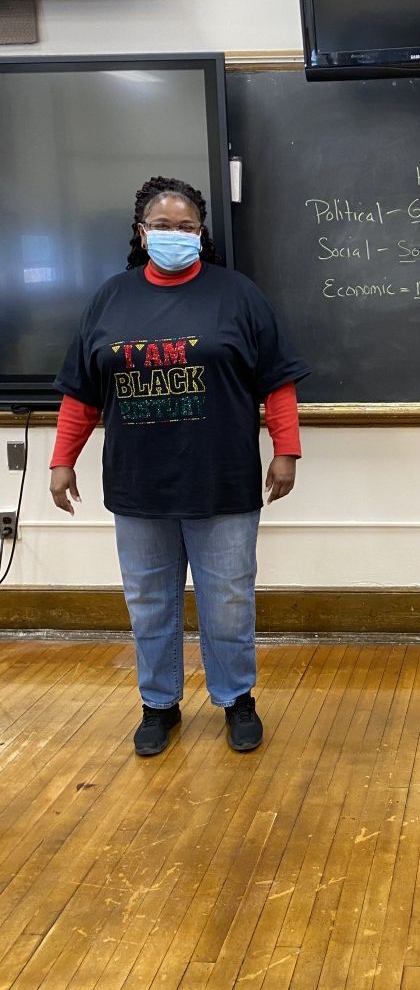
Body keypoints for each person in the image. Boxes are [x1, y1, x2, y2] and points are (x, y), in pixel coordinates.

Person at [49, 176, 310, 756]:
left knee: (229, 600)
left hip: (221, 480)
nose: (174, 235)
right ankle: (158, 705)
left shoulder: (237, 295)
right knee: (148, 603)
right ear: (142, 234)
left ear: (201, 233)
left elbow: (278, 381)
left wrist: (286, 451)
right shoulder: (110, 299)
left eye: (186, 226)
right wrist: (61, 461)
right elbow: (80, 393)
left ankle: (236, 699)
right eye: (162, 226)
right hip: (138, 484)